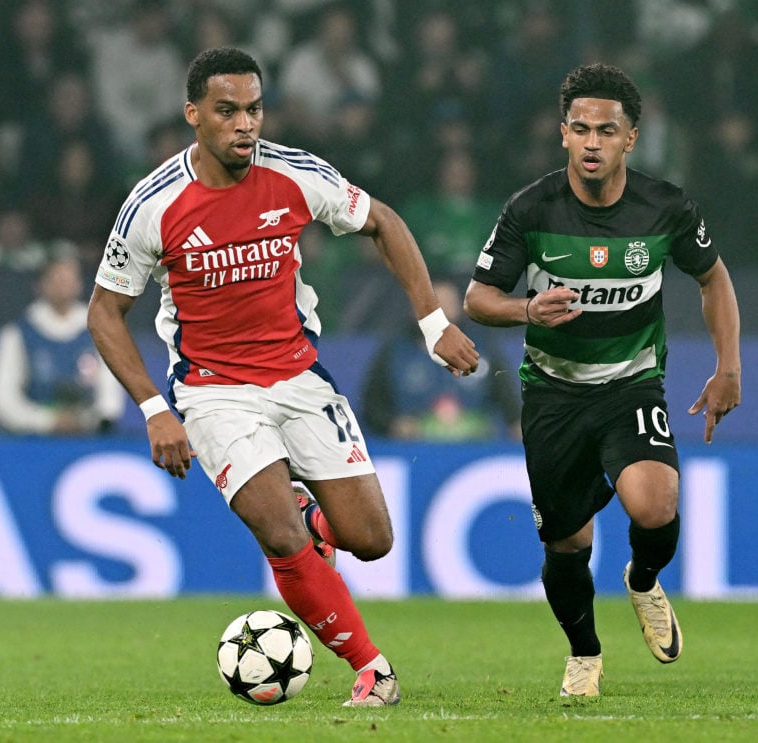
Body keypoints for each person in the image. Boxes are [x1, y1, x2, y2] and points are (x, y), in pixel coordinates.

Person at [86, 47, 479, 707]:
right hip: (212, 391)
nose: (246, 124)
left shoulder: (296, 174)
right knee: (279, 533)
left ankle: (310, 517)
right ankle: (372, 667)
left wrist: (434, 323)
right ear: (194, 115)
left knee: (371, 540)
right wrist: (155, 407)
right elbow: (104, 312)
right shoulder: (153, 204)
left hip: (300, 378)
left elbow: (382, 220)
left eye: (254, 108)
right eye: (228, 110)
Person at [463, 63, 741, 699]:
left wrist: (729, 367)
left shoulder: (664, 206)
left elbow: (713, 277)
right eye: (580, 129)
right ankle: (584, 653)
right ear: (563, 134)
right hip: (554, 393)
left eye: (606, 131)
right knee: (567, 543)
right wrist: (526, 310)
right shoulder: (529, 209)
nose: (592, 142)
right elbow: (478, 298)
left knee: (655, 503)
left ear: (630, 139)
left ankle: (643, 578)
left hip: (631, 385)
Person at [363, 278, 521, 441]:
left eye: (448, 303)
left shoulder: (482, 351)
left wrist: (519, 428)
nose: (441, 311)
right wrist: (393, 425)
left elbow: (510, 405)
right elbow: (372, 407)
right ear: (414, 309)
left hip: (474, 448)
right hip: (414, 448)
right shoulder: (395, 353)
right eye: (434, 304)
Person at [0, 252, 125, 435]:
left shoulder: (100, 330)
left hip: (88, 438)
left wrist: (88, 420)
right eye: (56, 278)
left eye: (69, 278)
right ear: (40, 285)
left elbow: (111, 394)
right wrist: (46, 421)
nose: (63, 285)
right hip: (32, 440)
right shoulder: (18, 333)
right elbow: (2, 398)